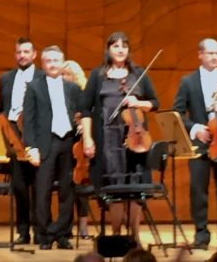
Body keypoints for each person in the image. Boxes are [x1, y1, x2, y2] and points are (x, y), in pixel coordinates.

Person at [80, 31, 159, 239]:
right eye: (116, 45)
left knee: (135, 187)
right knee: (114, 188)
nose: (120, 49)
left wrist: (138, 102)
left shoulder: (138, 73)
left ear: (129, 50)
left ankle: (134, 235)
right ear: (108, 49)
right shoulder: (98, 75)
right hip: (107, 139)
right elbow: (85, 109)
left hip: (135, 137)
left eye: (124, 45)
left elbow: (155, 103)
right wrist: (88, 138)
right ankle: (116, 236)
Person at [23, 46, 80, 250]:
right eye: (49, 61)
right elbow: (28, 121)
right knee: (43, 191)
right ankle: (45, 235)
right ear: (43, 63)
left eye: (56, 61)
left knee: (67, 190)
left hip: (68, 141)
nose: (53, 64)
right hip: (46, 143)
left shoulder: (72, 88)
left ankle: (63, 233)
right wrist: (31, 147)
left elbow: (81, 113)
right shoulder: (34, 87)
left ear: (62, 63)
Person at [0, 37, 45, 244]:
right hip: (13, 133)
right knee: (20, 186)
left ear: (34, 54)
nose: (22, 56)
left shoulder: (42, 78)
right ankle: (23, 231)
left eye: (26, 52)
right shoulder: (6, 78)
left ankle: (42, 231)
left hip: (36, 133)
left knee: (39, 187)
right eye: (18, 52)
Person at [173, 38, 217, 249]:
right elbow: (178, 112)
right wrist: (195, 129)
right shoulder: (188, 82)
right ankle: (201, 235)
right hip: (200, 145)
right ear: (200, 54)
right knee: (198, 190)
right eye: (210, 53)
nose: (215, 57)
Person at [61, 60, 91, 238]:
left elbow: (88, 114)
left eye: (67, 74)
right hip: (65, 142)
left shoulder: (82, 93)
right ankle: (66, 225)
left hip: (79, 144)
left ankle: (83, 226)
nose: (64, 78)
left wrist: (82, 126)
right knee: (66, 185)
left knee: (82, 185)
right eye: (62, 74)